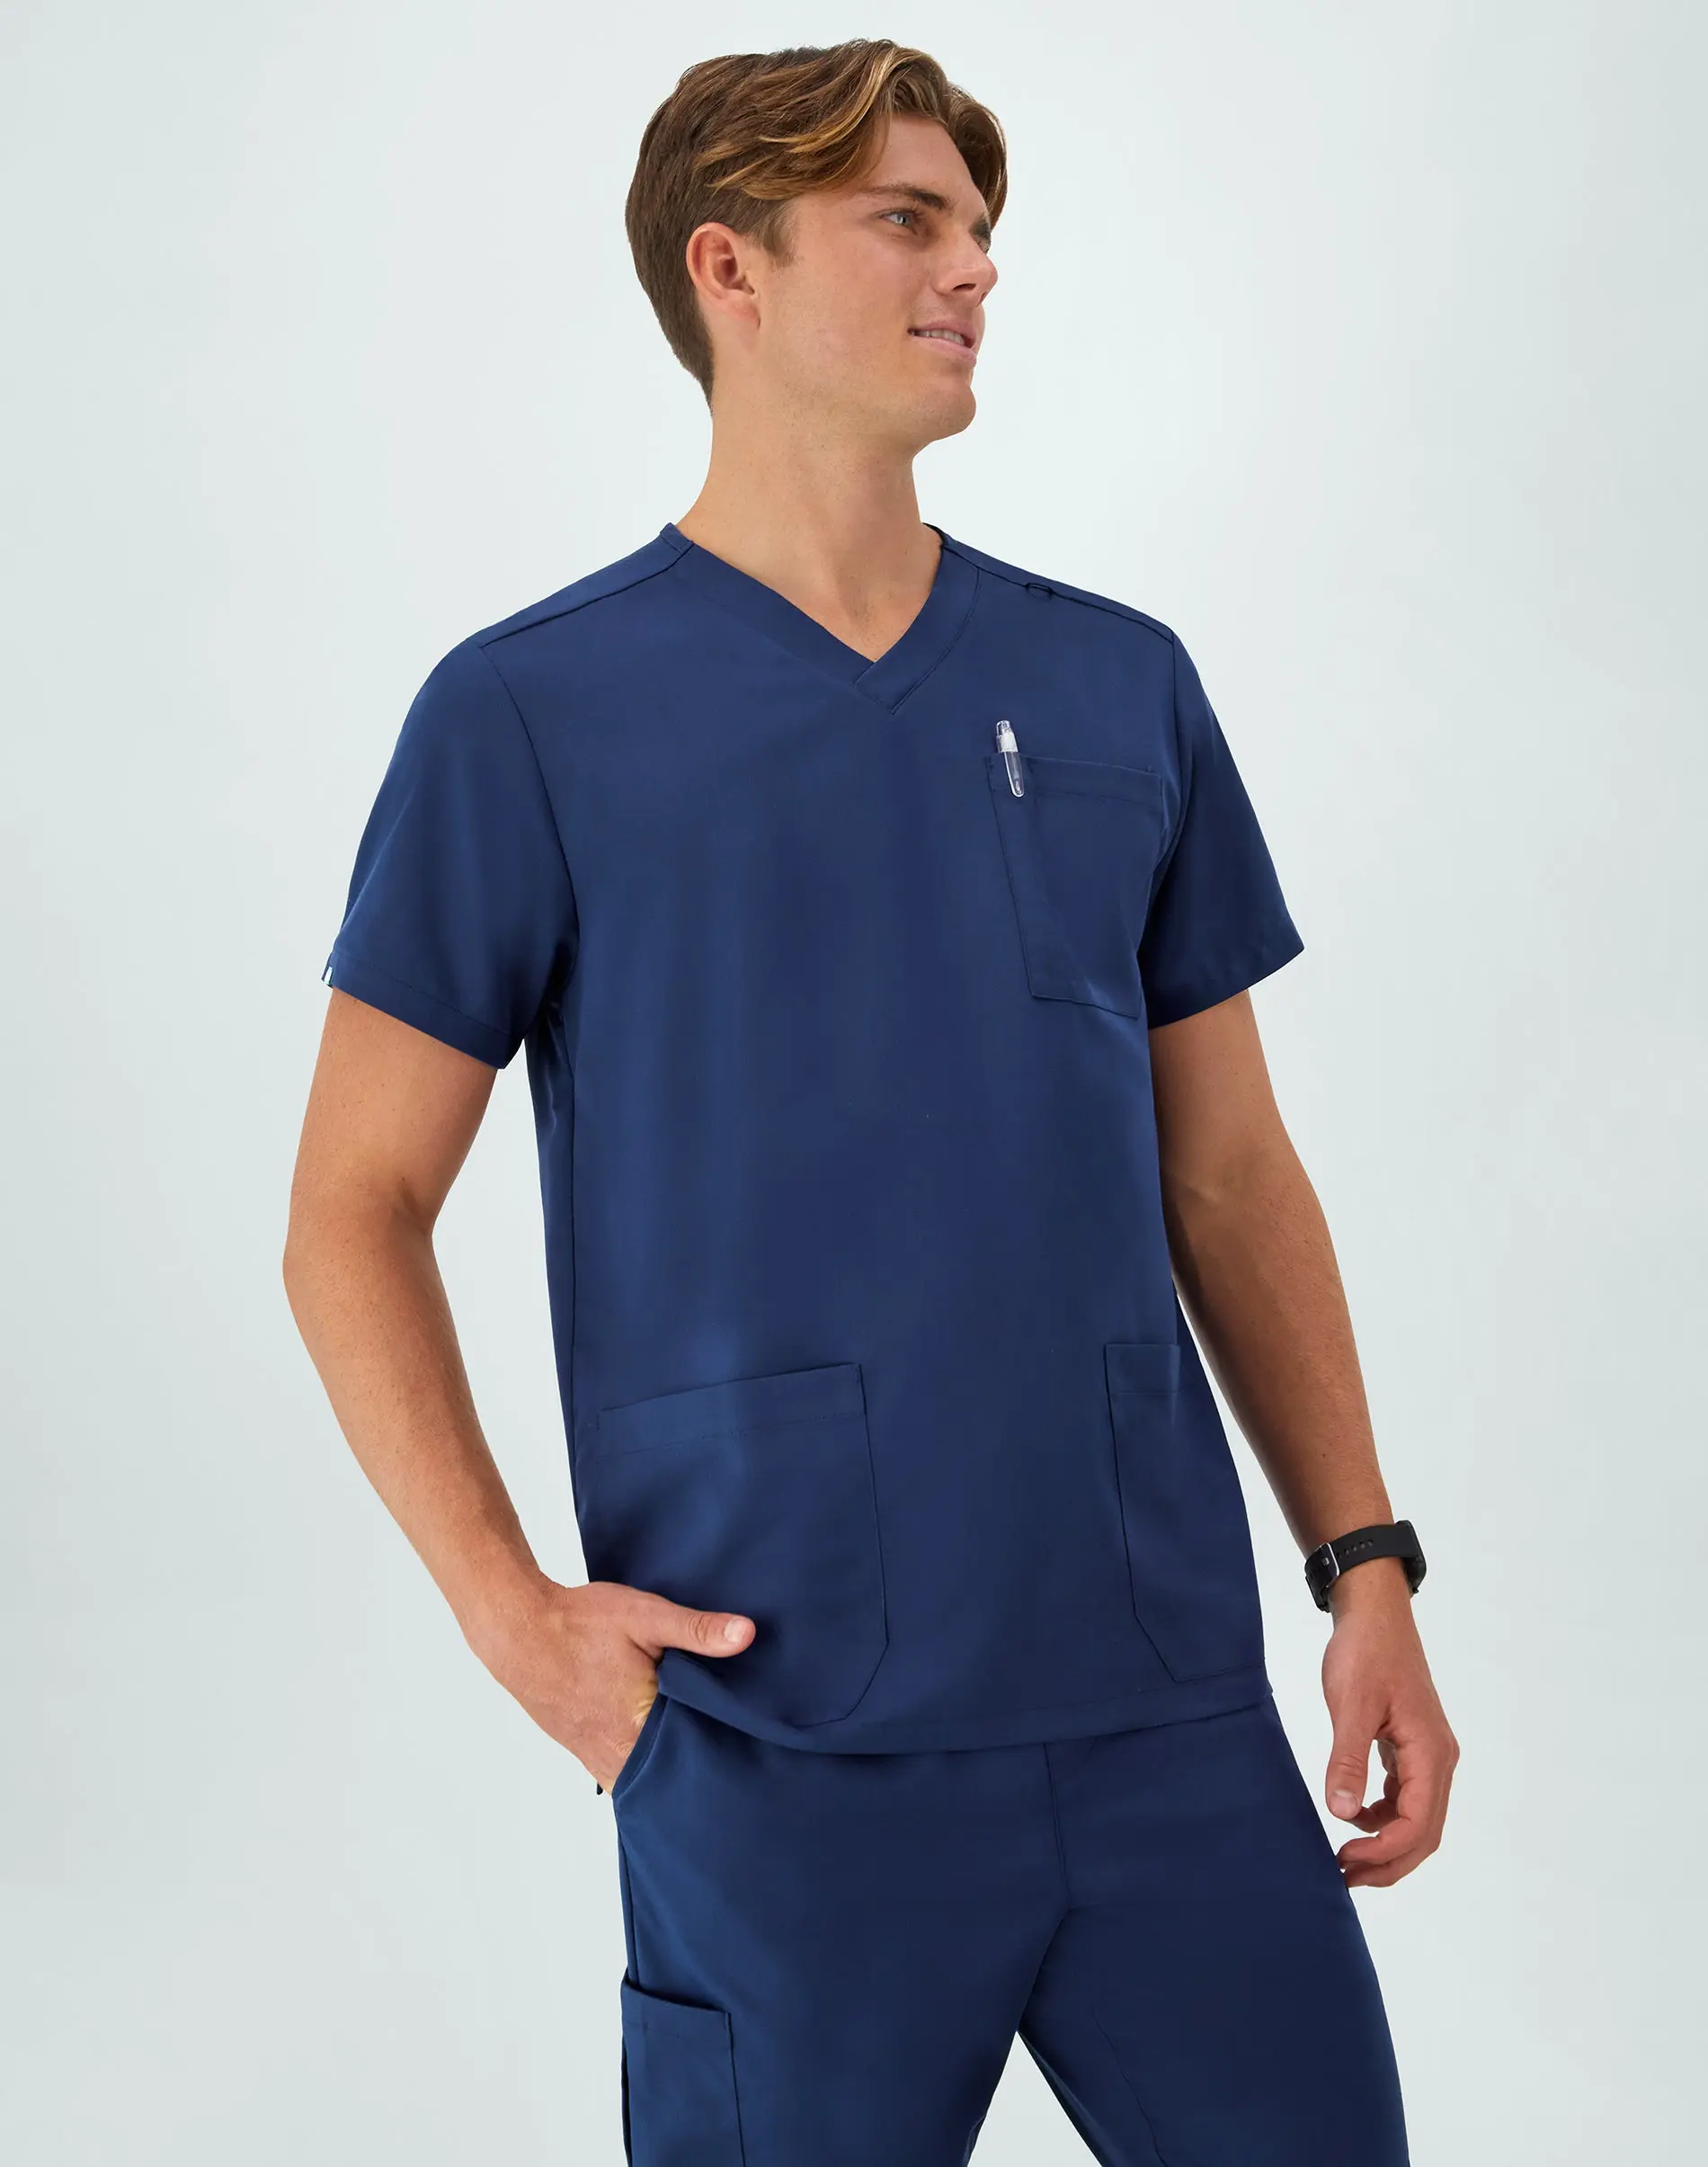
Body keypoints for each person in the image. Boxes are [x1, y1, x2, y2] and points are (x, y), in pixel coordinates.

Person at [284, 36, 1457, 2166]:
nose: (972, 270)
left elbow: (1225, 1169)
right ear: (726, 270)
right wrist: (512, 1614)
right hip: (772, 1738)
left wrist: (1359, 1559)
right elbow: (351, 1202)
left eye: (978, 230)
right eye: (906, 222)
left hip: (1165, 1712)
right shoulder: (527, 716)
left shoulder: (1114, 684)